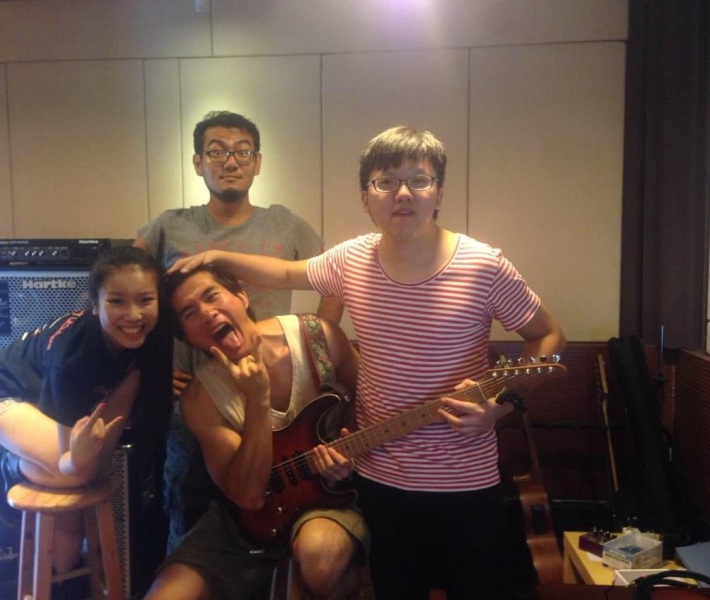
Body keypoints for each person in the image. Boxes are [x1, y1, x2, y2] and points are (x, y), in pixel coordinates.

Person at [170, 125, 567, 599]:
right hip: (378, 479)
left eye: (418, 180)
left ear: (439, 192)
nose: (403, 193)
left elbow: (548, 337)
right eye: (385, 182)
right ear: (365, 198)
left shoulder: (484, 265)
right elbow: (287, 272)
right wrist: (216, 256)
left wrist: (499, 406)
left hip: (466, 479)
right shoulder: (352, 260)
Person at [133, 110, 343, 551]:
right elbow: (129, 293)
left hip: (275, 393)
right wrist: (152, 368)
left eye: (242, 152)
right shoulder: (169, 225)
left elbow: (333, 279)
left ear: (257, 162)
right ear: (197, 163)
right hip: (199, 399)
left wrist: (320, 348)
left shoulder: (284, 223)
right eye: (216, 151)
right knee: (188, 510)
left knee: (273, 508)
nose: (230, 161)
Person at [145, 264, 367, 600]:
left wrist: (349, 454)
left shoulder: (317, 338)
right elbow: (248, 496)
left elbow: (372, 404)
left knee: (319, 558)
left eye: (212, 296)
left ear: (241, 296)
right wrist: (257, 400)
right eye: (189, 313)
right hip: (244, 522)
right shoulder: (200, 400)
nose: (206, 313)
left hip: (328, 501)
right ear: (186, 336)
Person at [0, 245, 172, 574]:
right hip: (0, 393)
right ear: (95, 304)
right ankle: (6, 463)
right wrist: (80, 464)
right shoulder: (73, 355)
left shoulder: (154, 337)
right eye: (117, 301)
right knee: (77, 473)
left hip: (44, 394)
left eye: (145, 300)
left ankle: (68, 568)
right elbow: (70, 461)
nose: (134, 315)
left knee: (90, 485)